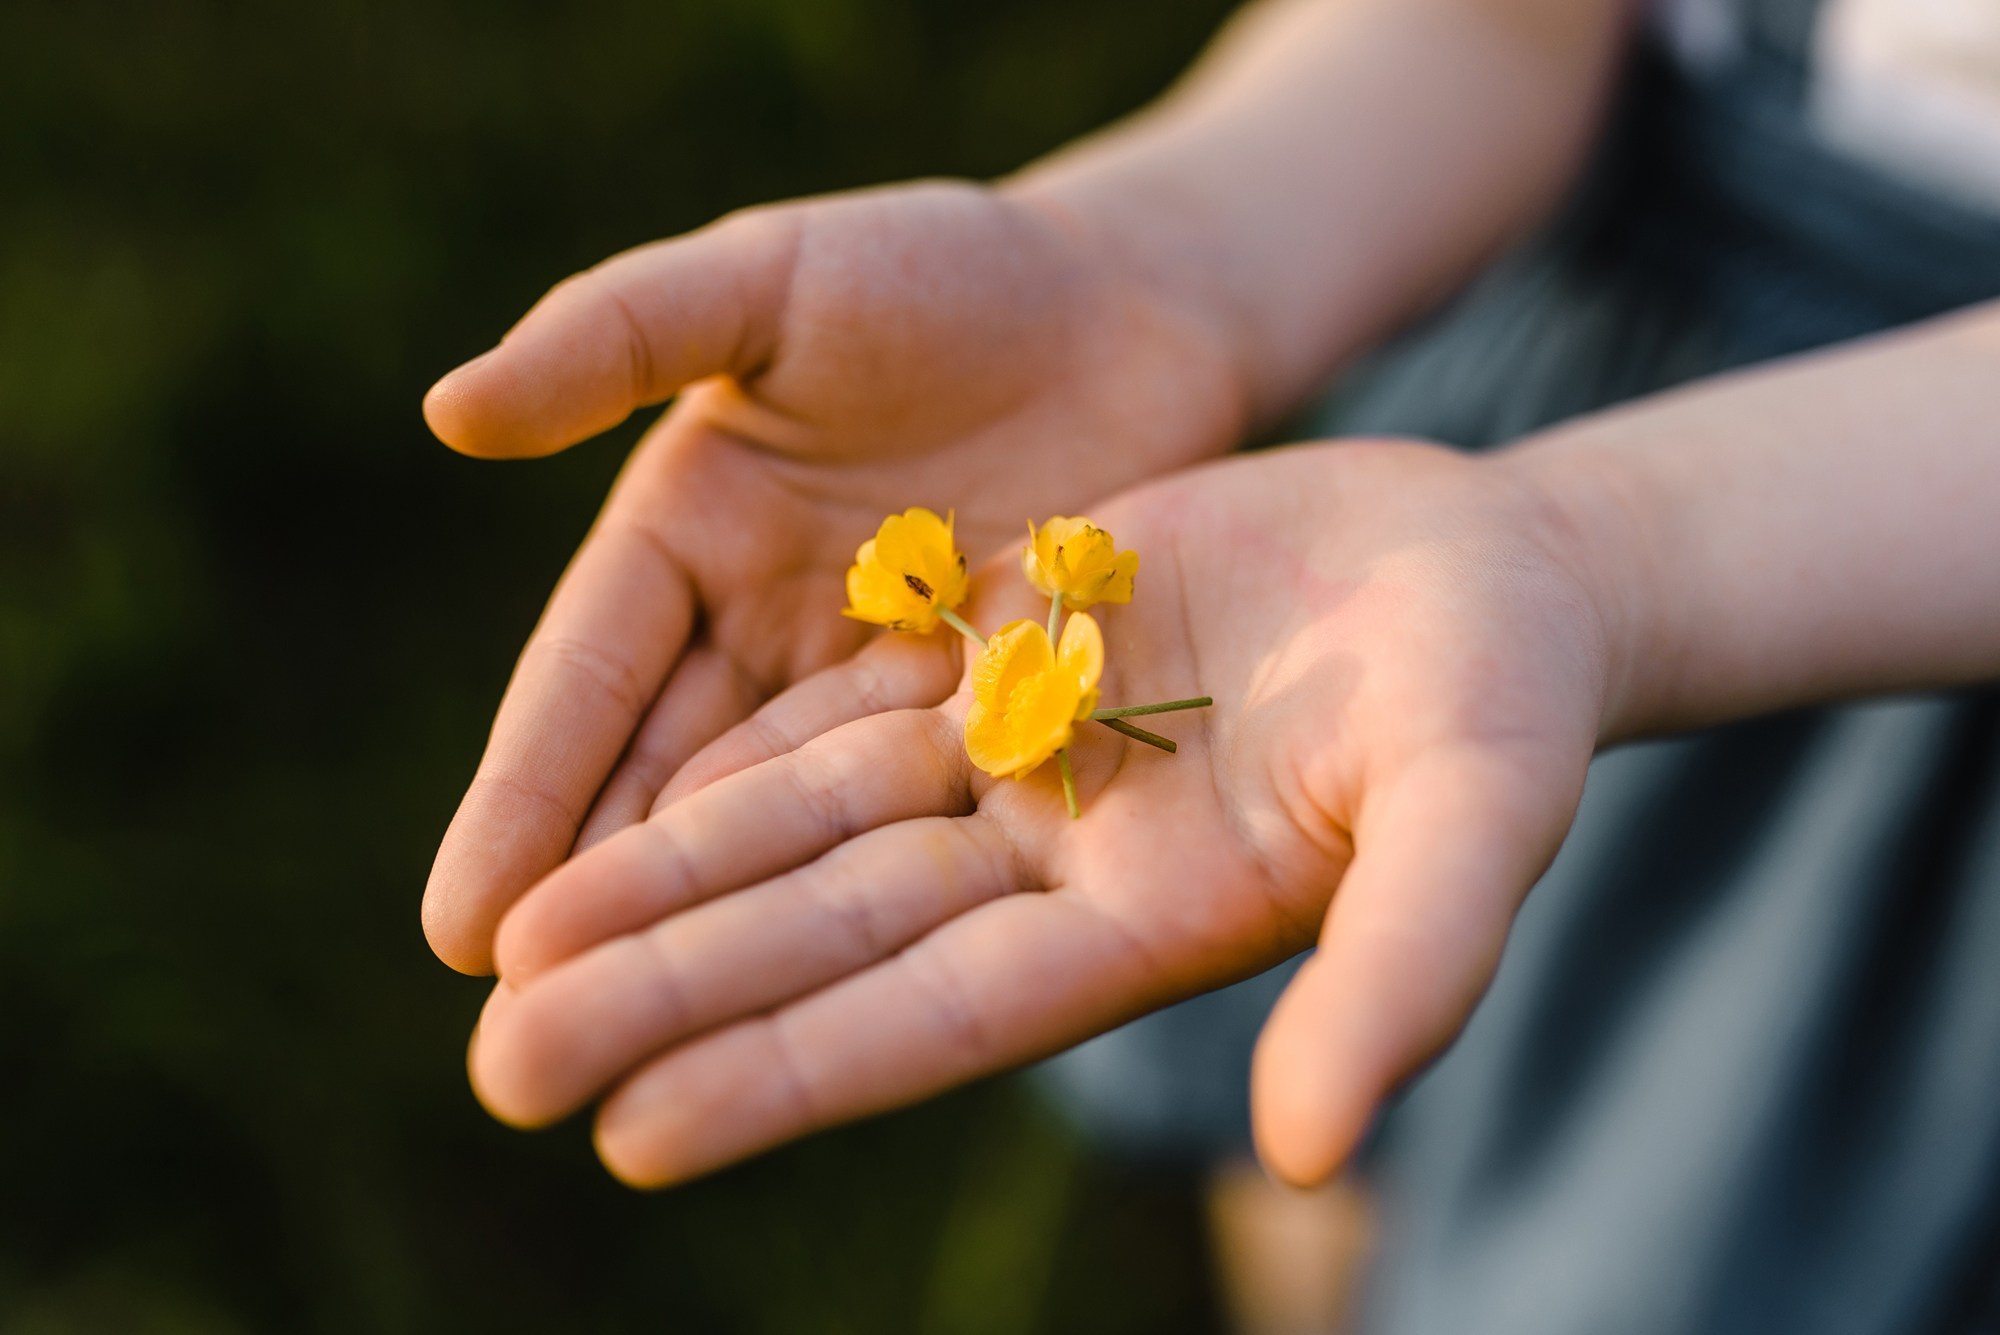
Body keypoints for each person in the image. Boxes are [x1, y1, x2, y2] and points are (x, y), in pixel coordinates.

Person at [419, 0, 2000, 1329]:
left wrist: (1611, 550)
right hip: (1602, 324)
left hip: (1878, 565)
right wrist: (1157, 255)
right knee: (1319, 1150)